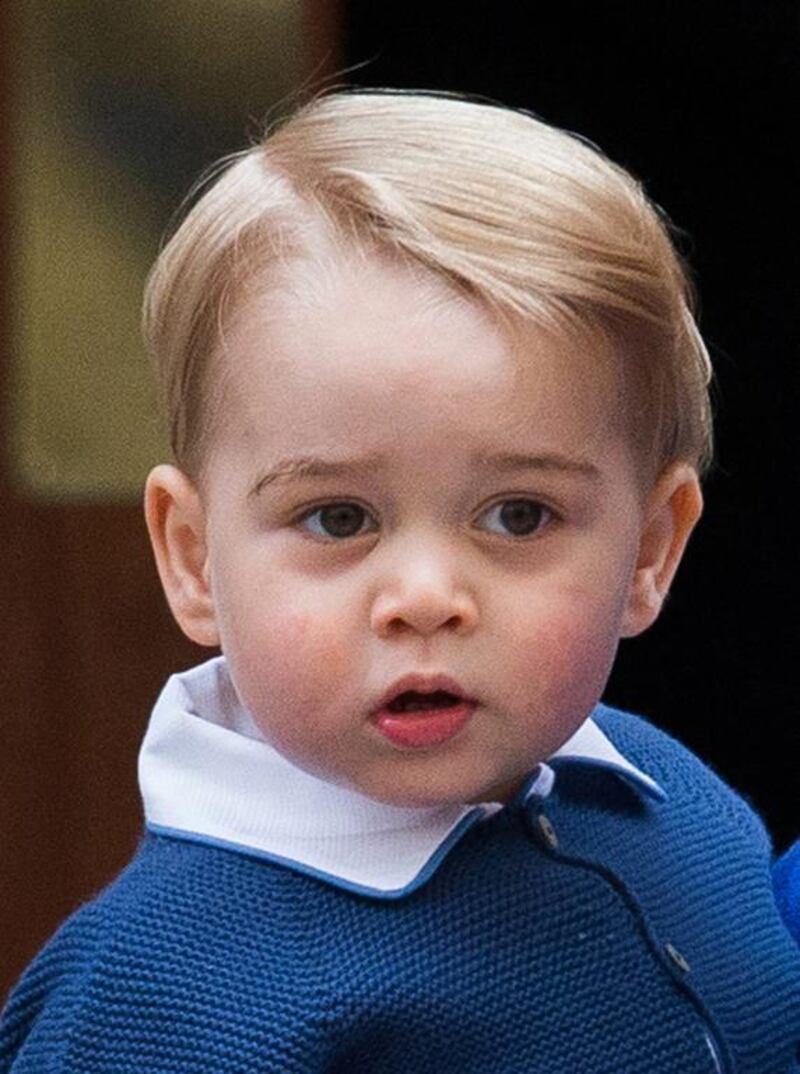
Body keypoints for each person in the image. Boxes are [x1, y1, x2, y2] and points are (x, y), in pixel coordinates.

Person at [1, 87, 797, 1074]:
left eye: (518, 515)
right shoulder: (160, 999)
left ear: (646, 552)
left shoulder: (676, 802)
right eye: (337, 518)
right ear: (194, 557)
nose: (423, 597)